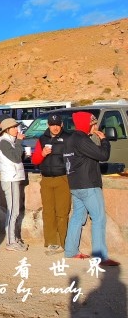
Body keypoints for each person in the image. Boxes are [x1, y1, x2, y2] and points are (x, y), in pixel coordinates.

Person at [64, 111, 119, 266]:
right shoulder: (82, 139)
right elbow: (103, 155)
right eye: (93, 123)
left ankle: (70, 250)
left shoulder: (70, 139)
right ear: (87, 124)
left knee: (77, 217)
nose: (96, 126)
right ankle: (100, 256)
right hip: (89, 185)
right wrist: (104, 140)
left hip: (75, 185)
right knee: (99, 218)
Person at [30, 114, 71, 255]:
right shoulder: (42, 139)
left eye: (57, 124)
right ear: (48, 125)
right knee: (48, 212)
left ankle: (65, 241)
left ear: (62, 125)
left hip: (62, 178)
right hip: (46, 179)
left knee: (62, 211)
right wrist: (42, 153)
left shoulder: (68, 138)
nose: (55, 127)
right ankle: (52, 242)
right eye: (52, 124)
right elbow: (35, 161)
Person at [0, 117, 27, 252]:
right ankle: (10, 241)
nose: (16, 129)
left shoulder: (9, 141)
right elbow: (15, 157)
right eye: (14, 127)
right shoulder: (4, 142)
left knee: (14, 210)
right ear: (7, 129)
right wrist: (19, 142)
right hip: (10, 179)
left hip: (13, 177)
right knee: (13, 210)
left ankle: (13, 238)